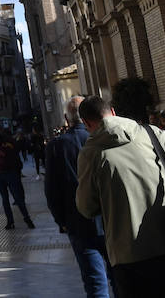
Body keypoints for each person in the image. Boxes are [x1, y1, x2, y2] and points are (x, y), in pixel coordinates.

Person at [76, 95, 165, 297]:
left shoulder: (90, 154)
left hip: (127, 252)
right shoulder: (150, 134)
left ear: (87, 123)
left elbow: (86, 208)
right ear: (114, 112)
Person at [44, 97, 110, 297]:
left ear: (66, 118)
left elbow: (52, 190)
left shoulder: (57, 146)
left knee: (95, 282)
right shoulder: (106, 138)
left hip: (79, 222)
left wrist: (62, 221)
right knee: (120, 277)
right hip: (112, 219)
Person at [0, 126, 34, 230]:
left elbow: (13, 153)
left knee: (18, 198)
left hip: (11, 173)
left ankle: (27, 219)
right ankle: (10, 221)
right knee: (5, 199)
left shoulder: (8, 142)